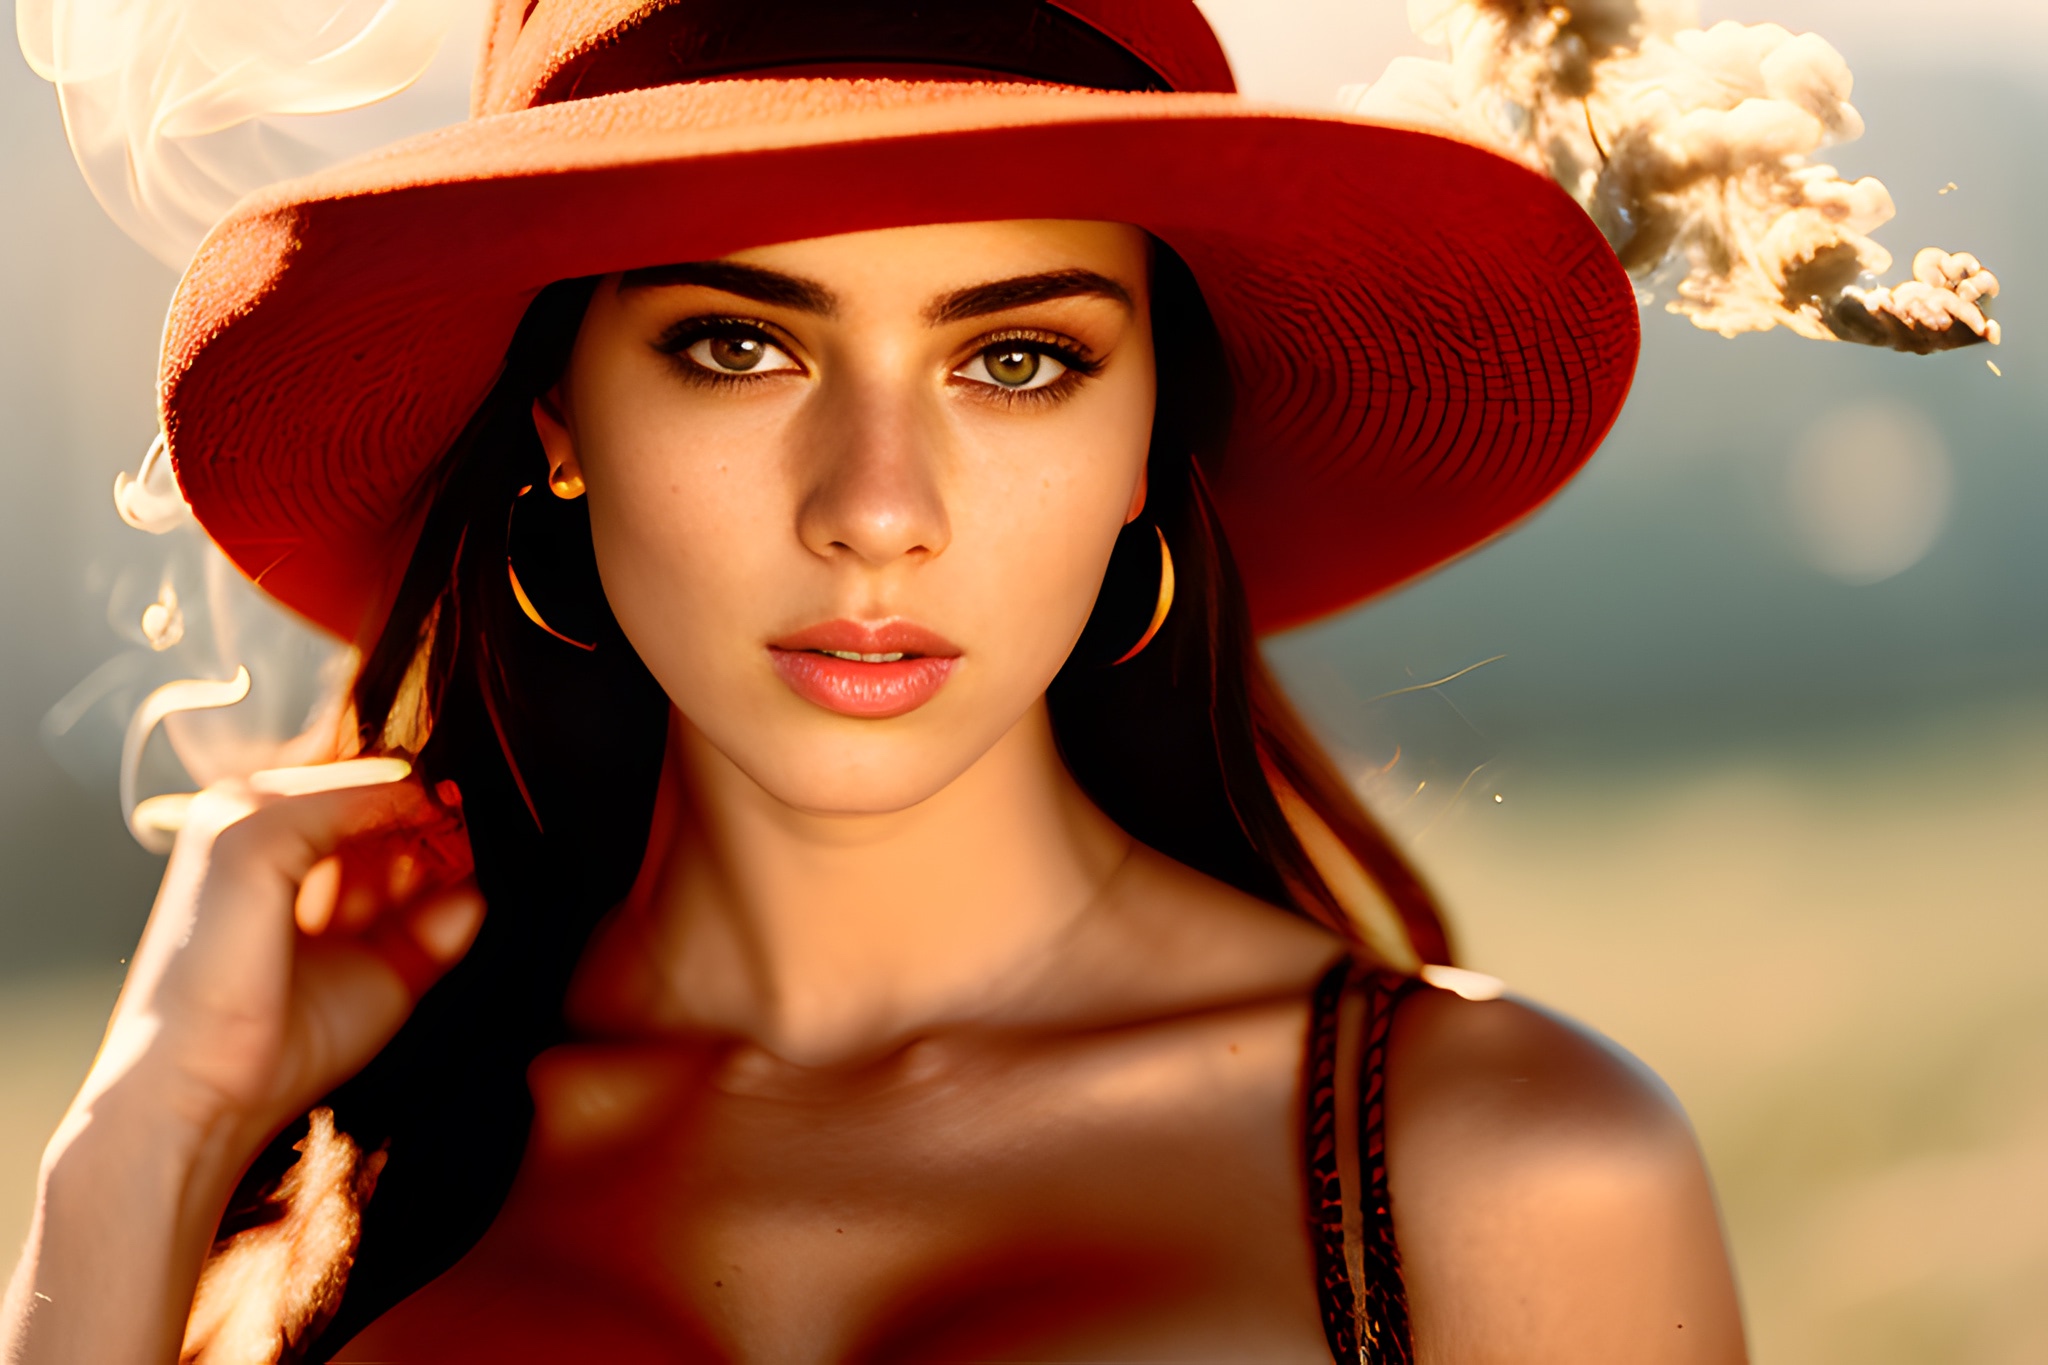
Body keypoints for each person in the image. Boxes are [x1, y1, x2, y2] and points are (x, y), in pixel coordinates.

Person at [3, 1, 1748, 1359]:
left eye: (1016, 357)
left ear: (1152, 434)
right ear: (558, 414)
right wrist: (141, 1138)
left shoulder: (1501, 1171)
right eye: (737, 344)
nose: (877, 512)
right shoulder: (310, 1206)